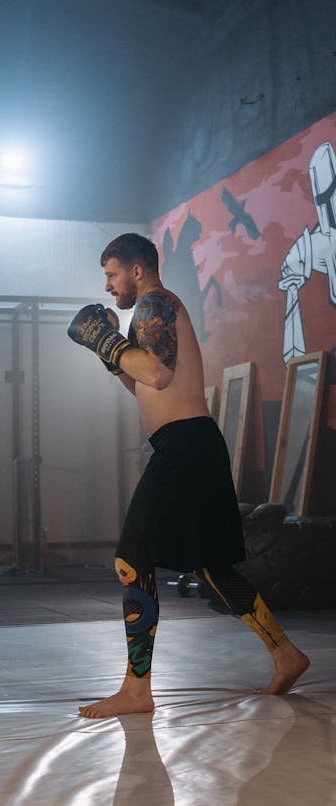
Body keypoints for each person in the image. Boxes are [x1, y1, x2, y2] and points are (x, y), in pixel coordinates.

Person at [67, 233, 309, 719]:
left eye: (112, 274)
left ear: (137, 271)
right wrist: (106, 351)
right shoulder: (150, 315)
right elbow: (140, 382)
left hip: (186, 447)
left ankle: (137, 689)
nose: (108, 285)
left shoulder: (156, 302)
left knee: (131, 558)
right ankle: (287, 655)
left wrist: (105, 338)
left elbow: (156, 374)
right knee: (212, 567)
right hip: (190, 445)